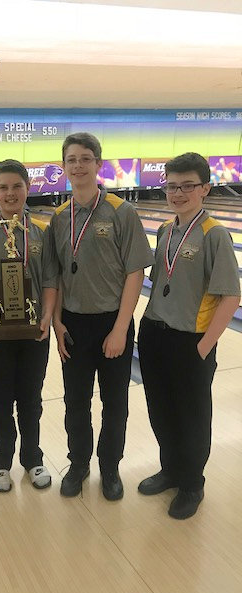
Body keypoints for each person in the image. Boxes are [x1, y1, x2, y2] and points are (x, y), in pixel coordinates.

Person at [49, 132, 154, 500]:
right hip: (73, 325)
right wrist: (57, 323)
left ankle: (110, 467)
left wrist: (121, 329)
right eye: (72, 159)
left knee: (115, 403)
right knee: (75, 401)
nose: (78, 165)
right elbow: (56, 275)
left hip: (113, 321)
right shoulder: (59, 217)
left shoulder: (121, 211)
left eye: (85, 158)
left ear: (98, 164)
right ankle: (78, 465)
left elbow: (135, 273)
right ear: (64, 167)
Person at [137, 152, 241, 519]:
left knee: (192, 415)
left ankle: (192, 483)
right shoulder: (166, 230)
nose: (177, 193)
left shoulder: (215, 235)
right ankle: (170, 470)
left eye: (187, 186)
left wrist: (203, 347)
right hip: (154, 335)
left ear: (205, 188)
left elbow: (231, 296)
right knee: (161, 409)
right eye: (172, 185)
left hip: (190, 342)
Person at [0, 159, 58, 492]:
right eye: (3, 187)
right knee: (2, 399)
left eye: (16, 186)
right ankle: (1, 463)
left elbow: (50, 278)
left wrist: (47, 316)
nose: (10, 193)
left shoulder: (41, 234)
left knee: (31, 399)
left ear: (27, 189)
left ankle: (33, 459)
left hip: (35, 332)